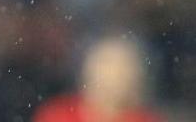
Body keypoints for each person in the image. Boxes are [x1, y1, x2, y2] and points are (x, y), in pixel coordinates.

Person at [33, 36, 164, 122]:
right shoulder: (57, 114)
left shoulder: (145, 119)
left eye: (122, 69)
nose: (113, 76)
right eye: (107, 65)